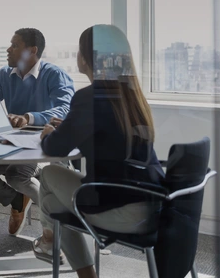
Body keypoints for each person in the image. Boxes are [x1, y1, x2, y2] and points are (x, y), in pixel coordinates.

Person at [33, 24, 164, 278]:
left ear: (85, 58)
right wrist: (70, 126)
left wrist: (49, 133)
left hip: (121, 209)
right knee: (51, 204)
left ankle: (49, 241)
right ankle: (69, 259)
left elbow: (54, 148)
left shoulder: (89, 97)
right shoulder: (132, 96)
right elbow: (106, 133)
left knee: (48, 173)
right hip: (153, 203)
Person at [0, 28, 75, 235]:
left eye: (14, 45)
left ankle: (60, 226)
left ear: (32, 50)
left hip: (42, 144)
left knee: (16, 176)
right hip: (11, 141)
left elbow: (65, 109)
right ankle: (17, 200)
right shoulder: (3, 75)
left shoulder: (55, 74)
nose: (8, 49)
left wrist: (28, 117)